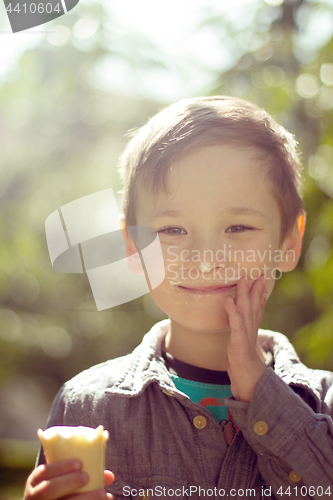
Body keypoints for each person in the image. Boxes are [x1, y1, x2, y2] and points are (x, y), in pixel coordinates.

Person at [24, 96, 333, 500]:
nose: (205, 261)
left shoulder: (322, 407)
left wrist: (260, 390)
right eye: (172, 230)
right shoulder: (88, 407)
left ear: (289, 242)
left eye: (238, 227)